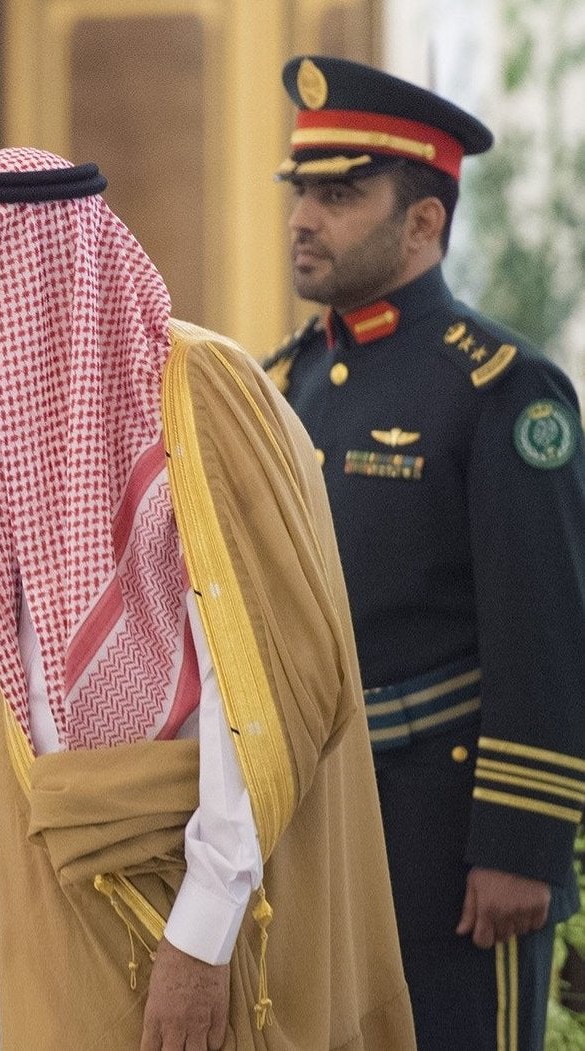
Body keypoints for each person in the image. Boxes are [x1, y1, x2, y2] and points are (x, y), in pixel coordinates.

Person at [0, 147, 414, 1049]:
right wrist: (12, 843)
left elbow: (265, 690)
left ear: (46, 275)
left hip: (197, 908)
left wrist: (201, 941)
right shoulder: (19, 418)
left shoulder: (199, 396)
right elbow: (44, 681)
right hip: (62, 884)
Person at [264, 54, 585, 1050]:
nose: (304, 217)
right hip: (311, 822)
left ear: (422, 222)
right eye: (302, 191)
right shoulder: (293, 380)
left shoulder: (501, 389)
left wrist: (518, 844)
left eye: (340, 193)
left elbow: (545, 629)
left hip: (446, 845)